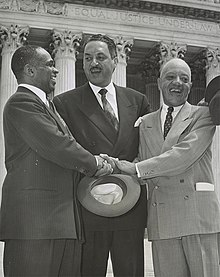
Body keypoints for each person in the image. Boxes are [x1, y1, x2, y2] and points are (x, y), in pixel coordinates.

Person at [0, 45, 112, 277]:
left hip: (61, 223)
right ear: (30, 70)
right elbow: (58, 145)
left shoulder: (46, 106)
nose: (56, 70)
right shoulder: (21, 103)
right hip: (36, 226)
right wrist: (95, 163)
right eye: (49, 64)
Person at [107, 58, 220, 277]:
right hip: (163, 219)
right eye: (170, 77)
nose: (177, 83)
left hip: (198, 217)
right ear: (159, 82)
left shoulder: (203, 115)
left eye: (184, 79)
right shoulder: (145, 122)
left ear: (190, 85)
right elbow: (140, 163)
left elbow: (183, 155)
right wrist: (112, 166)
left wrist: (136, 168)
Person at [53, 34, 151, 277]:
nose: (93, 63)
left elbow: (148, 149)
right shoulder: (64, 103)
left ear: (115, 60)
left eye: (100, 57)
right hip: (89, 207)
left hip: (130, 206)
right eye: (87, 58)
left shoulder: (138, 101)